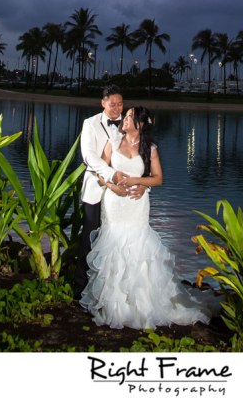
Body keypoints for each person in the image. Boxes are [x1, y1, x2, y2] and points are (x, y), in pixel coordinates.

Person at [79, 106, 215, 329]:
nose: (125, 119)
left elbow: (158, 178)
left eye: (130, 117)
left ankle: (140, 301)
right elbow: (101, 172)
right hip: (114, 203)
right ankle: (115, 304)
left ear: (140, 125)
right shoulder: (112, 141)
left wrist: (138, 183)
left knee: (138, 248)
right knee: (114, 245)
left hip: (137, 205)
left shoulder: (149, 148)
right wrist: (114, 186)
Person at [72, 84, 145, 299]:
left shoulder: (129, 124)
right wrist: (111, 176)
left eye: (120, 104)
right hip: (97, 189)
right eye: (112, 104)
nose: (116, 109)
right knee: (90, 237)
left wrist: (143, 184)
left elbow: (144, 159)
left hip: (122, 197)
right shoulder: (90, 124)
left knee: (117, 241)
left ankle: (115, 291)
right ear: (103, 103)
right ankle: (81, 288)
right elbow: (89, 157)